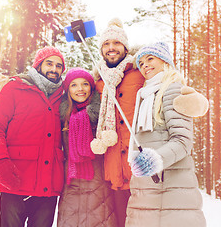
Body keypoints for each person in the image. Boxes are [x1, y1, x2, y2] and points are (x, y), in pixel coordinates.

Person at [125, 42, 207, 227]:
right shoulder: (145, 96)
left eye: (150, 59)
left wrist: (155, 160)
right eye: (141, 63)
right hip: (147, 186)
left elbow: (183, 140)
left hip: (170, 185)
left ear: (165, 61)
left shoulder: (171, 90)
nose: (145, 65)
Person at [0, 46, 66, 227]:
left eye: (59, 66)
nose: (54, 69)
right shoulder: (15, 88)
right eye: (49, 63)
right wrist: (0, 162)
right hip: (16, 181)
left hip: (48, 188)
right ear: (38, 65)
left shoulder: (63, 96)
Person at [89, 18, 145, 227]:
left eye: (116, 43)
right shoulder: (98, 82)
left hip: (141, 170)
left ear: (125, 47)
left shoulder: (140, 73)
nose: (111, 48)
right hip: (115, 175)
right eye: (106, 44)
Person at [57, 67, 117, 227]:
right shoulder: (62, 116)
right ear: (67, 89)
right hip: (71, 183)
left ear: (91, 87)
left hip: (98, 182)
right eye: (74, 85)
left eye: (85, 84)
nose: (80, 89)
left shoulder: (102, 114)